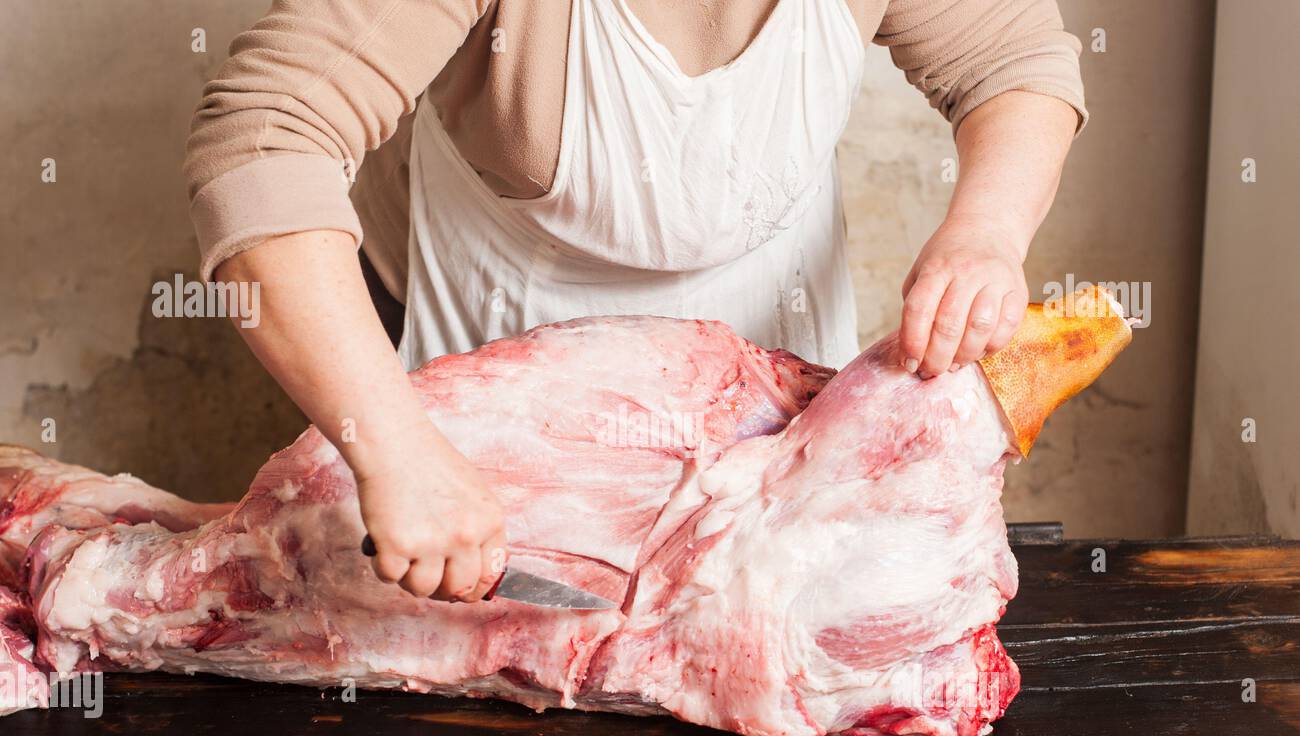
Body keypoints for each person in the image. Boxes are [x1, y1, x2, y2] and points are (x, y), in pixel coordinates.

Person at [185, 0, 1086, 603]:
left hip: (774, 360)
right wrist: (395, 448)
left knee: (764, 635)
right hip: (499, 372)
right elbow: (263, 142)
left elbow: (1012, 56)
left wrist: (988, 229)